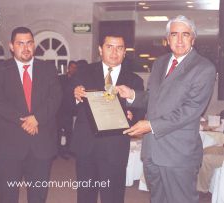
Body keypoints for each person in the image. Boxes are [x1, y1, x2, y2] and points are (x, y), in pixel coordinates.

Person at [117, 15, 216, 203]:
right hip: (152, 150)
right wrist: (132, 95)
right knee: (157, 199)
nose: (179, 40)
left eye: (185, 35)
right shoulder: (160, 63)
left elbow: (191, 110)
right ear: (167, 39)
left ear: (193, 38)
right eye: (174, 35)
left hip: (178, 155)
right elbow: (152, 97)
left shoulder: (204, 68)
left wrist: (151, 125)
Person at [0, 26, 62, 203]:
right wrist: (25, 121)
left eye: (29, 43)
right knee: (7, 196)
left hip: (41, 143)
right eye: (20, 43)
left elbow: (56, 98)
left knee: (38, 196)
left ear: (34, 45)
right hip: (9, 144)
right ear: (11, 46)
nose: (26, 47)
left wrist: (36, 118)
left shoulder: (48, 69)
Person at [72, 31, 144, 203]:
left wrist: (131, 116)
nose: (114, 52)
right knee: (85, 196)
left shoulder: (135, 80)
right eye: (109, 47)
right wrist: (75, 95)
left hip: (115, 147)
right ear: (100, 49)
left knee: (113, 197)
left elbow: (140, 110)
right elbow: (65, 105)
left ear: (125, 52)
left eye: (119, 48)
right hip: (86, 144)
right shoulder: (83, 72)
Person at [57, 60, 78, 159]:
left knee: (69, 132)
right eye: (72, 67)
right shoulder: (61, 78)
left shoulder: (76, 80)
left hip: (69, 111)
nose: (73, 69)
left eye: (75, 68)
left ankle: (68, 151)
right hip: (59, 110)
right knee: (58, 132)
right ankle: (57, 151)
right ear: (68, 68)